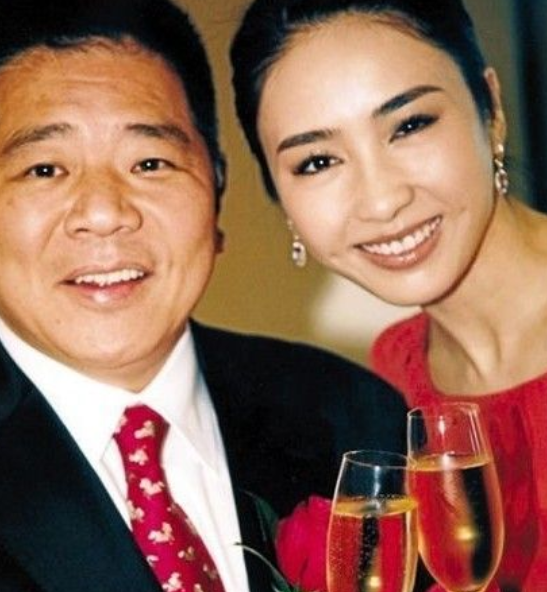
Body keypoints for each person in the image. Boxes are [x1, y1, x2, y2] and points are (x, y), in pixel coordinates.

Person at [0, 1, 410, 591]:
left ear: (217, 188)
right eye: (45, 170)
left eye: (150, 162)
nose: (105, 213)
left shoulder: (354, 416)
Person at [230, 0, 547, 590]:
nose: (380, 201)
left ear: (492, 110)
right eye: (317, 161)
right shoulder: (390, 384)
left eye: (409, 125)